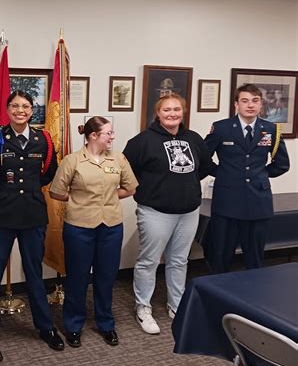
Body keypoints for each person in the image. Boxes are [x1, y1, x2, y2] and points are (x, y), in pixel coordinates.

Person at [0, 90, 64, 363]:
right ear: (7, 110)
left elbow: (48, 174)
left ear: (32, 110)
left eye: (25, 106)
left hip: (32, 216)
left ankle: (46, 327)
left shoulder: (44, 140)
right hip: (2, 216)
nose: (20, 110)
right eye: (15, 106)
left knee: (34, 274)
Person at [123, 94, 212, 335]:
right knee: (149, 261)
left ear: (183, 112)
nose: (172, 114)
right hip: (155, 211)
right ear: (158, 113)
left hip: (188, 211)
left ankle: (177, 305)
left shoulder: (193, 138)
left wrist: (183, 186)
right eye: (167, 110)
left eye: (176, 109)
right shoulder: (142, 141)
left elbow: (204, 167)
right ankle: (143, 308)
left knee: (179, 260)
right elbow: (126, 172)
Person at [49, 117, 138, 348]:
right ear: (93, 136)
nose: (112, 136)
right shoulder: (72, 160)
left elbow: (130, 188)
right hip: (79, 227)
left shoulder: (118, 158)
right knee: (77, 278)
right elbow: (56, 192)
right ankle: (73, 325)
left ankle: (106, 324)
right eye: (108, 133)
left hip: (110, 227)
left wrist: (107, 198)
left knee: (106, 277)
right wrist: (80, 199)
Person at [204, 83, 289, 274]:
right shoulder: (221, 128)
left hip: (258, 201)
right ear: (236, 104)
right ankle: (219, 291)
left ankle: (254, 291)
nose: (250, 105)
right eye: (244, 101)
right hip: (227, 202)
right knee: (221, 257)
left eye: (255, 101)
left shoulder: (271, 129)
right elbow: (202, 158)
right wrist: (222, 173)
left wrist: (260, 175)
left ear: (261, 104)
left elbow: (282, 164)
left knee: (255, 258)